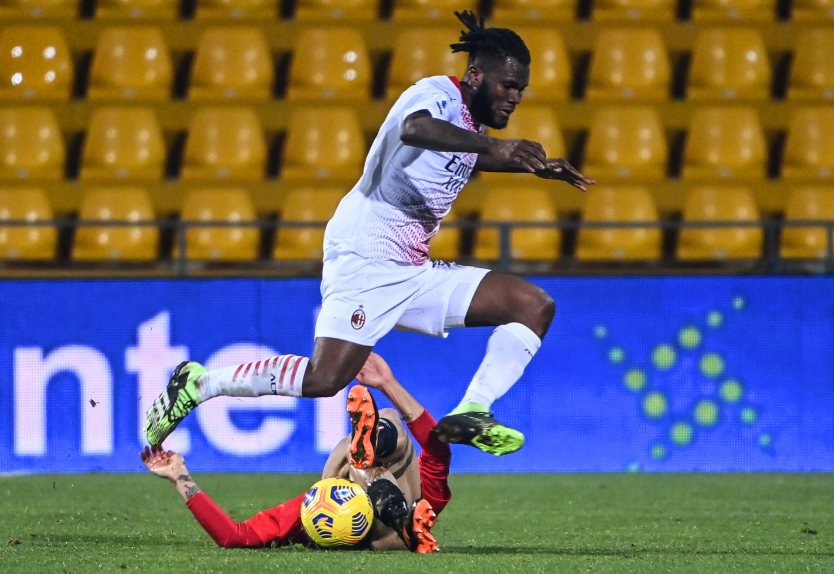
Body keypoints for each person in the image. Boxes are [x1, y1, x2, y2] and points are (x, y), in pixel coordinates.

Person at [146, 10, 594, 456]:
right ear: (475, 75)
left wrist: (527, 166)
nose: (515, 98)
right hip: (366, 254)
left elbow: (464, 155)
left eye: (521, 90)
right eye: (508, 85)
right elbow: (415, 129)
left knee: (532, 305)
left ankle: (472, 410)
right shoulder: (436, 94)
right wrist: (498, 145)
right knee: (325, 379)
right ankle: (200, 384)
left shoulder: (470, 127)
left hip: (413, 267)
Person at [140, 353, 450, 553]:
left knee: (362, 459)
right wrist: (388, 383)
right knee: (390, 428)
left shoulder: (311, 510)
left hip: (348, 509)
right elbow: (437, 449)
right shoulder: (427, 501)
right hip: (390, 529)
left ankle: (377, 458)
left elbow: (236, 536)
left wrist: (180, 477)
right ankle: (394, 497)